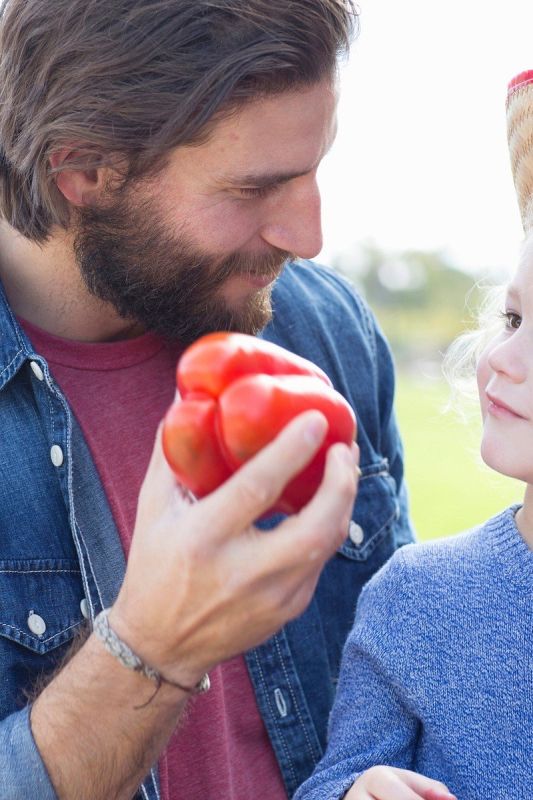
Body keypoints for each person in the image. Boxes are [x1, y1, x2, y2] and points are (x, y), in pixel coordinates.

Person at [0, 2, 414, 799]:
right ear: (81, 173)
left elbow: (398, 685)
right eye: (256, 188)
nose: (309, 235)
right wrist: (150, 649)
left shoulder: (324, 331)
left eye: (312, 170)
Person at [294, 70, 533, 800]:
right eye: (515, 320)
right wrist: (354, 792)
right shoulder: (420, 598)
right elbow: (333, 779)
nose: (497, 357)